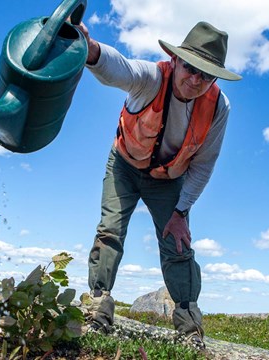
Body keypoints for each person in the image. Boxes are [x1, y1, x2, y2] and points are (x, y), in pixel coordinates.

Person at [78, 21, 242, 348]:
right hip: (124, 166)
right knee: (110, 230)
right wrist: (91, 50)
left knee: (177, 245)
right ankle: (98, 310)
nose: (195, 80)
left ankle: (189, 329)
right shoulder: (152, 78)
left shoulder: (219, 107)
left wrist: (181, 212)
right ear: (176, 60)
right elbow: (120, 68)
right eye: (190, 68)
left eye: (206, 75)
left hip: (168, 180)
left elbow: (204, 163)